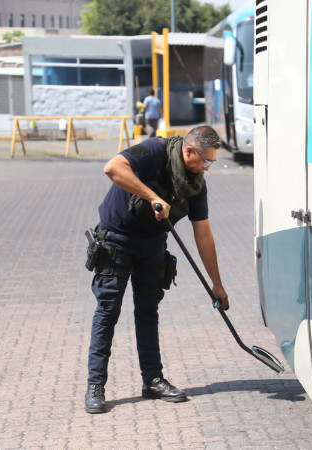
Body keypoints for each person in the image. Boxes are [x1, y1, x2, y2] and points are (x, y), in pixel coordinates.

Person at [84, 126, 228, 414]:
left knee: (148, 311)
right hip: (116, 239)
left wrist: (217, 283)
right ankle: (95, 385)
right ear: (189, 151)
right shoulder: (155, 151)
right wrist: (152, 196)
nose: (208, 168)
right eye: (206, 161)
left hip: (152, 245)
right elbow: (113, 167)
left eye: (212, 163)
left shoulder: (196, 183)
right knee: (108, 312)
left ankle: (152, 380)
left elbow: (203, 234)